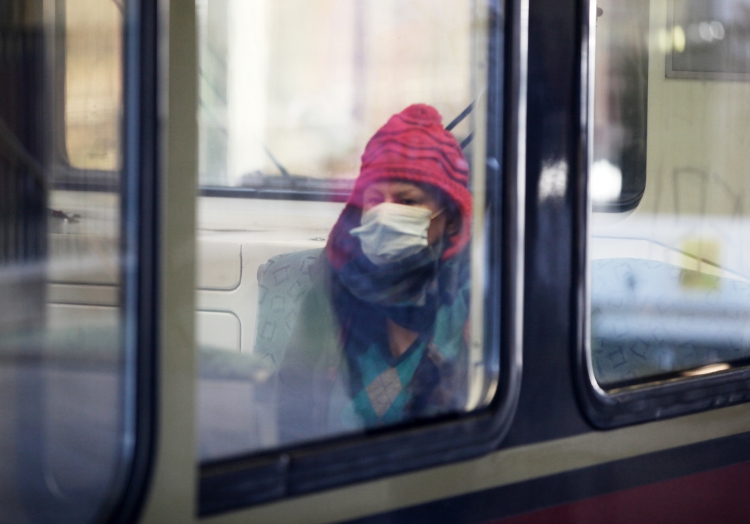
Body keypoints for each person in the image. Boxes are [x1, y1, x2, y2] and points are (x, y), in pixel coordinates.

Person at [275, 103, 473, 444]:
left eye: (407, 202)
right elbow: (291, 416)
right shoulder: (329, 288)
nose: (385, 213)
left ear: (450, 219)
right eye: (374, 199)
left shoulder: (472, 300)